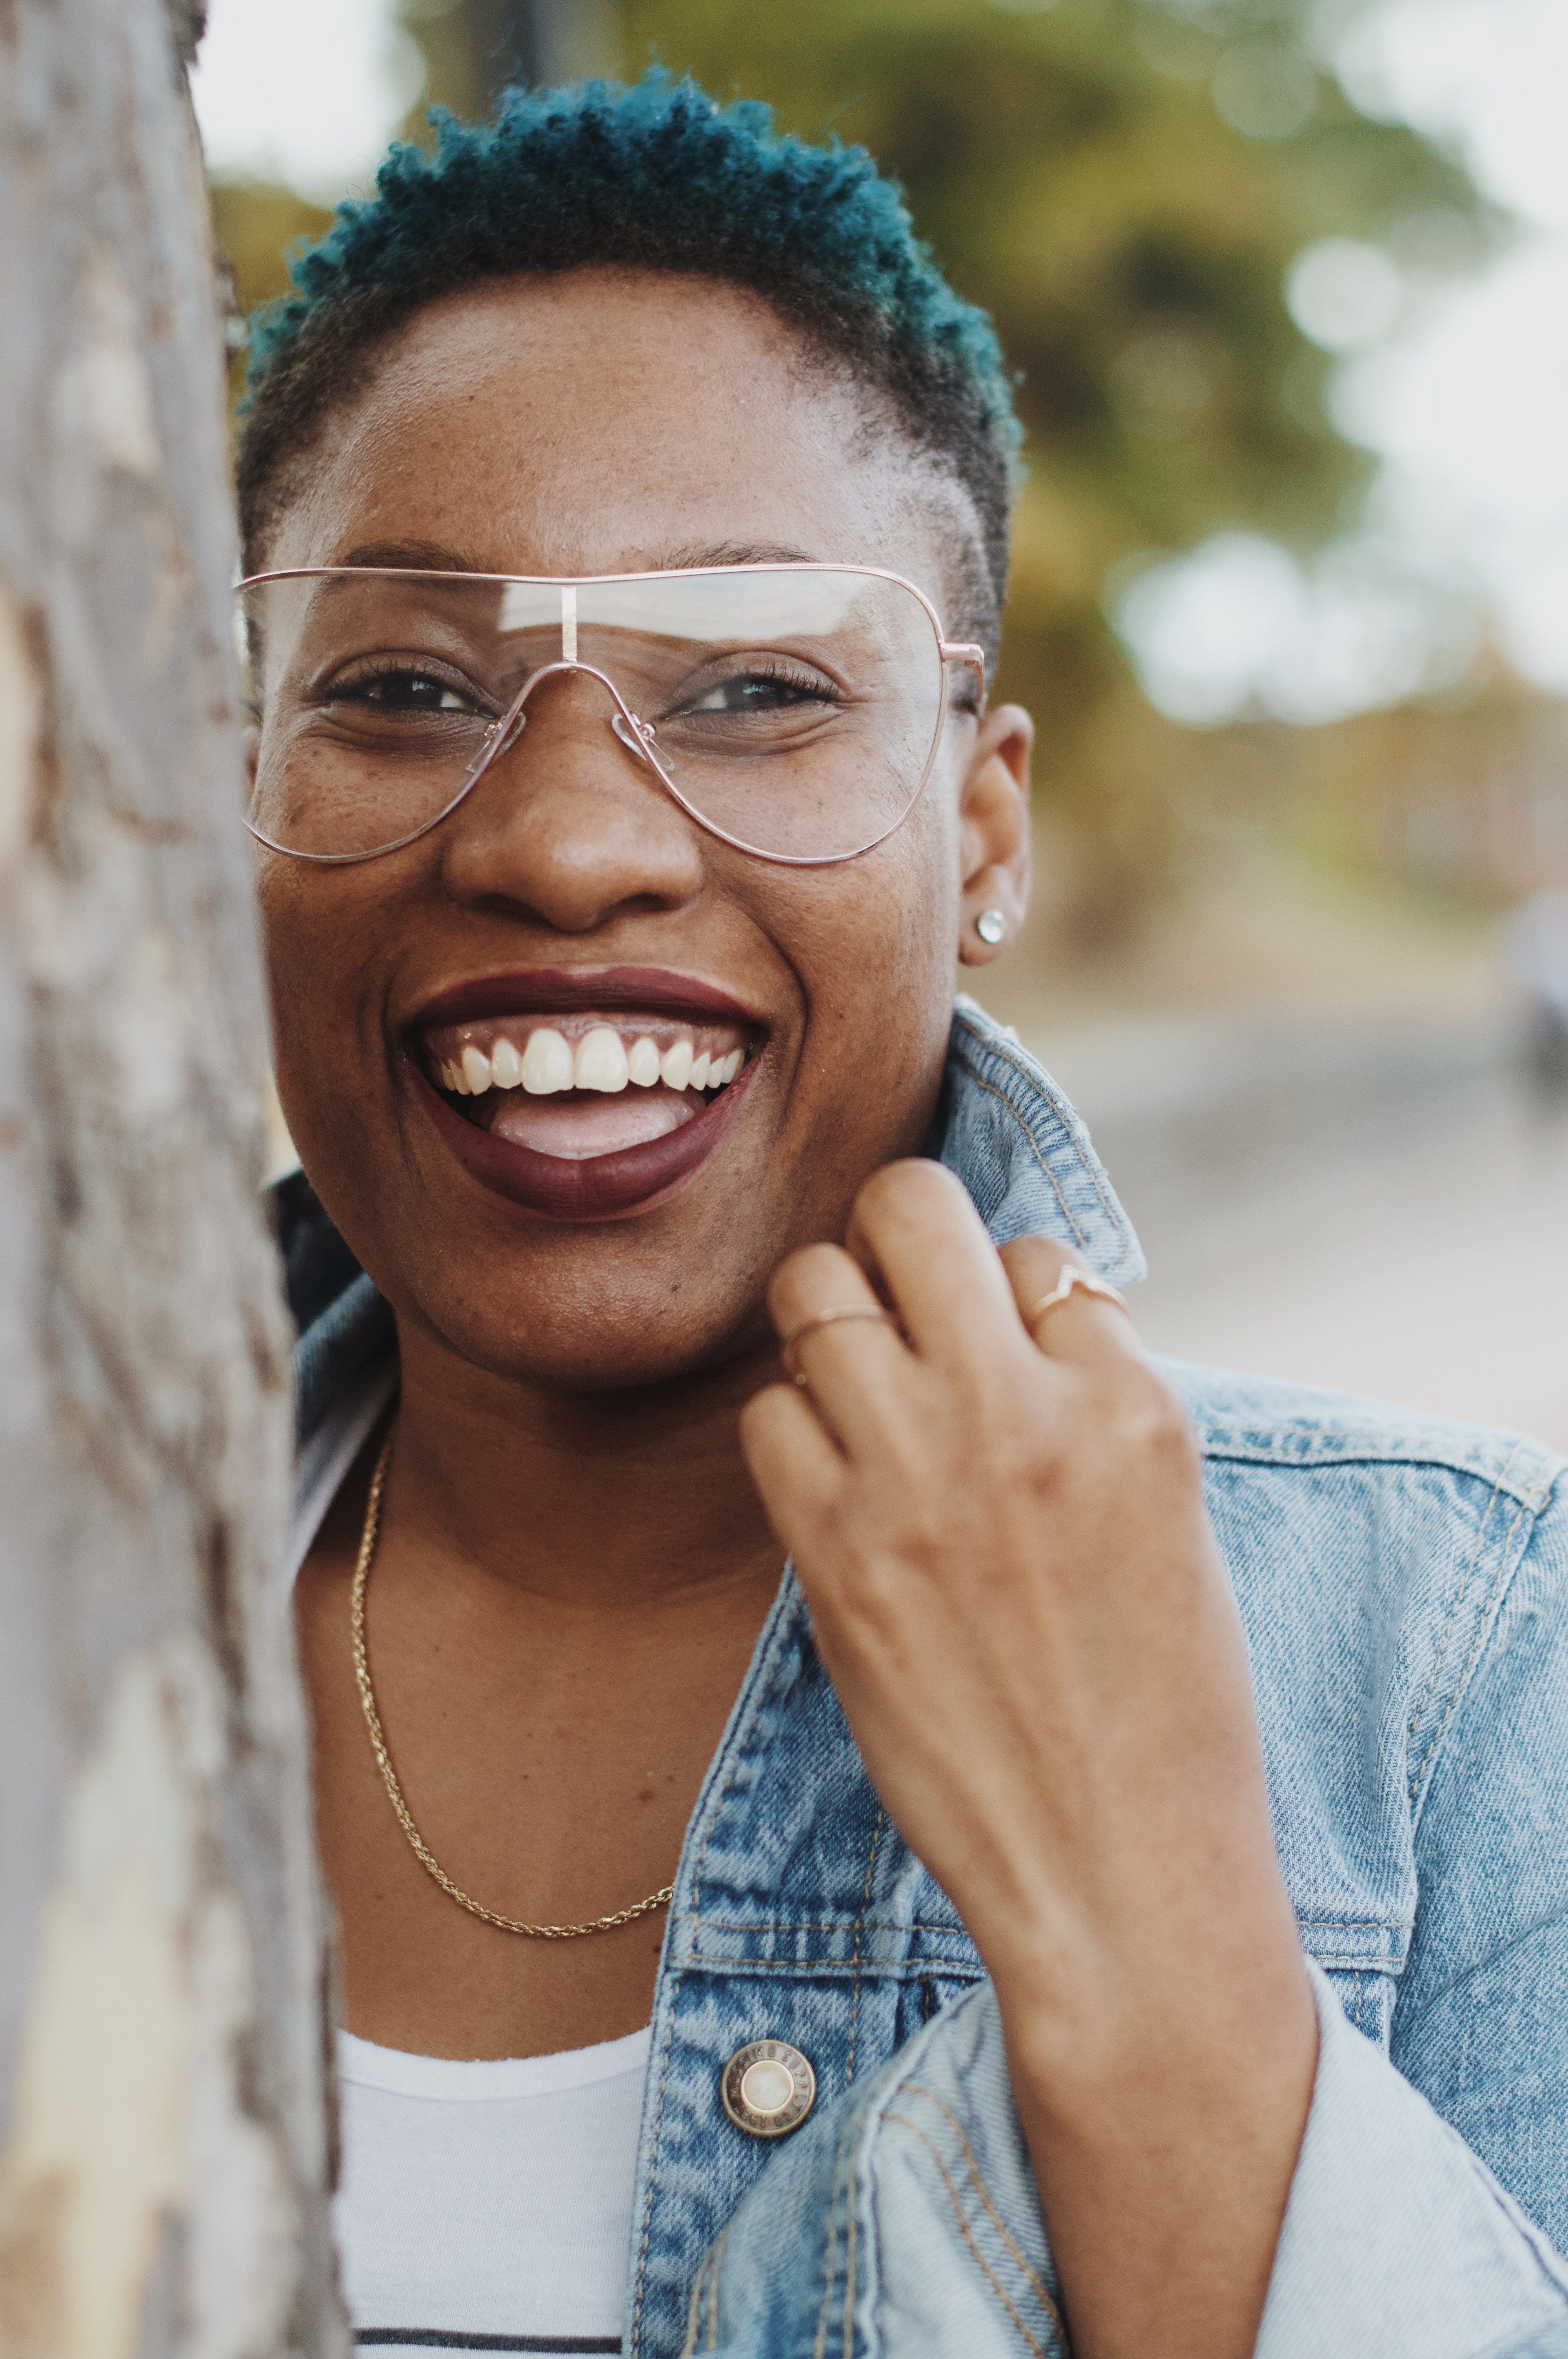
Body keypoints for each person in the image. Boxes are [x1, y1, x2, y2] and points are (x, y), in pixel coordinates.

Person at [241, 75, 1568, 2359]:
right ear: (228, 785)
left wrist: (1144, 1925)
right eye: (402, 687)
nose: (565, 842)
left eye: (756, 689)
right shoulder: (50, 1600)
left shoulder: (1462, 1665)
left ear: (983, 828)